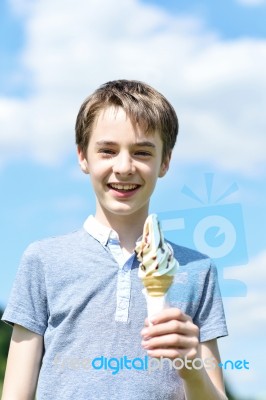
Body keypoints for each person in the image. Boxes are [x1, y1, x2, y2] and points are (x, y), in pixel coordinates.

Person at [1, 80, 228, 400]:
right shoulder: (43, 260)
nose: (123, 167)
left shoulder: (198, 270)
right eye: (107, 150)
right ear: (83, 157)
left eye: (142, 152)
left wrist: (192, 370)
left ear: (165, 162)